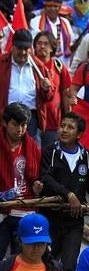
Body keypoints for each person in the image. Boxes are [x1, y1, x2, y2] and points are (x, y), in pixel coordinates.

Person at [39, 112, 89, 271]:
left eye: (70, 127)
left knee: (69, 267)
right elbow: (46, 178)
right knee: (48, 264)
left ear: (79, 134)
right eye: (62, 126)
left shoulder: (87, 157)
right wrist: (68, 194)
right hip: (50, 219)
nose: (64, 130)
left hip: (74, 222)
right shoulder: (49, 151)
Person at [0, 103, 42, 257]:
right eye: (15, 124)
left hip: (24, 211)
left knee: (20, 260)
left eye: (24, 125)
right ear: (5, 123)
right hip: (1, 212)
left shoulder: (33, 148)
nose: (20, 130)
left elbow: (37, 177)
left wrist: (37, 185)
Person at [0, 29, 52, 138]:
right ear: (12, 46)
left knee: (31, 153)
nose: (23, 52)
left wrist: (46, 89)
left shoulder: (39, 68)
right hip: (6, 117)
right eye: (19, 48)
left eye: (26, 49)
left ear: (31, 49)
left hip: (30, 120)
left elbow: (48, 97)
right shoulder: (2, 63)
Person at [0, 213, 65, 271]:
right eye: (31, 243)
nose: (37, 248)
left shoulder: (56, 268)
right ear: (20, 241)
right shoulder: (5, 268)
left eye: (41, 243)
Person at [32, 31, 72, 147]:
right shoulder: (29, 65)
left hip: (54, 122)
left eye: (46, 43)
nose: (42, 46)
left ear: (52, 48)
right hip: (35, 121)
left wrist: (69, 117)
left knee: (51, 157)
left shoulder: (58, 66)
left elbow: (65, 93)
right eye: (39, 43)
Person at [29, 0, 76, 66]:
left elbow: (71, 43)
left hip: (63, 63)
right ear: (45, 7)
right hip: (43, 63)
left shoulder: (65, 22)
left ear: (59, 8)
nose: (52, 9)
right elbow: (33, 44)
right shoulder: (36, 21)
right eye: (49, 6)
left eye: (55, 6)